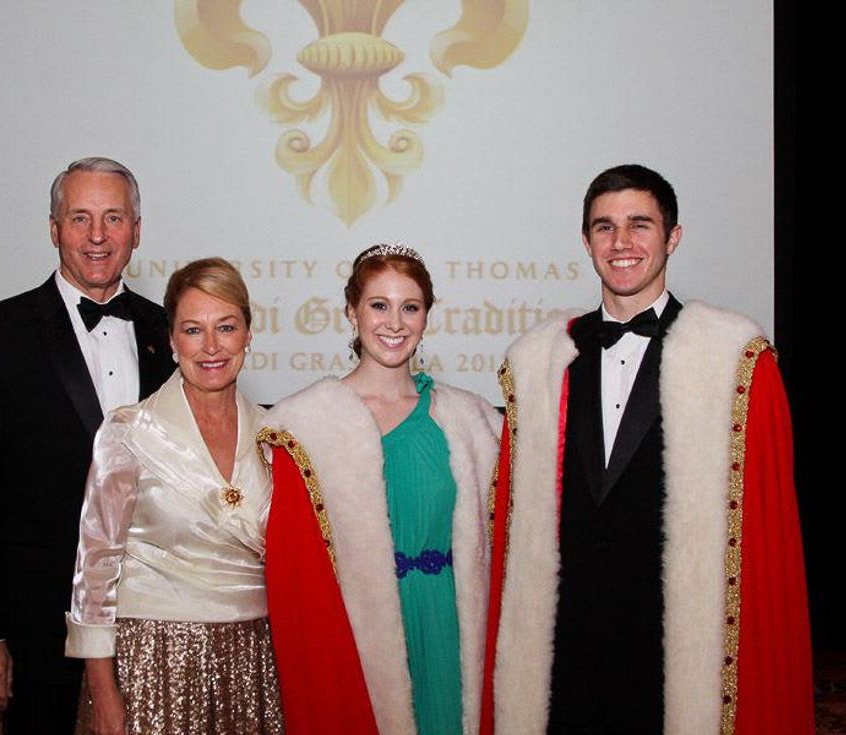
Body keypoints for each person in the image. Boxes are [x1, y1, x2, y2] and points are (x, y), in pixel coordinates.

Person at [481, 164, 813, 734]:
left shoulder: (732, 359)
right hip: (568, 649)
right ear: (586, 242)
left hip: (676, 648)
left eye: (641, 224)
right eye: (604, 227)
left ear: (673, 236)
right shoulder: (541, 360)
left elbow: (765, 541)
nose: (622, 243)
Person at [0, 157, 175, 733]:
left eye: (114, 218)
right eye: (80, 218)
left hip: (155, 618)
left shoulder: (167, 332)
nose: (98, 236)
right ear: (53, 229)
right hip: (39, 629)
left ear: (137, 231)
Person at [259, 244, 500, 735]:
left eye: (410, 307)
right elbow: (296, 574)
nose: (395, 322)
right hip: (358, 637)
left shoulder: (471, 422)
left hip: (448, 627)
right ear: (351, 311)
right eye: (378, 305)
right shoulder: (306, 425)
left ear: (427, 317)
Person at [64, 258, 283, 735]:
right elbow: (94, 571)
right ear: (170, 339)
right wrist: (103, 692)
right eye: (192, 329)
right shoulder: (128, 432)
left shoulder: (277, 438)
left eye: (226, 327)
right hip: (152, 659)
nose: (211, 347)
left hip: (253, 659)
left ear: (249, 334)